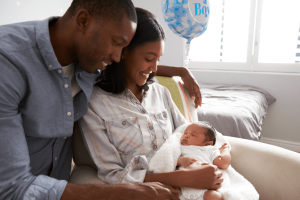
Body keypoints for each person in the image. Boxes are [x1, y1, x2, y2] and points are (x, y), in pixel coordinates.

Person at [0, 0, 203, 200]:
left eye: (123, 47)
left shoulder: (89, 58)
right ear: (83, 21)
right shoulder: (8, 64)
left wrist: (181, 71)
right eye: (116, 43)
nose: (117, 56)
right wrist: (125, 192)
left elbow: (131, 64)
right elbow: (13, 187)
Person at [79, 7, 223, 198]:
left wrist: (218, 152)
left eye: (158, 59)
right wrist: (184, 179)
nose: (154, 68)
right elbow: (113, 175)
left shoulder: (160, 92)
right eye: (149, 58)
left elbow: (187, 133)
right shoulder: (95, 104)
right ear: (123, 52)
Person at [178, 122, 231, 200]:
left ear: (207, 144)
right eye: (185, 133)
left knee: (215, 196)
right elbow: (170, 159)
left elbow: (224, 163)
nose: (187, 135)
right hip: (183, 186)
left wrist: (225, 150)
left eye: (193, 135)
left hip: (205, 187)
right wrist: (180, 160)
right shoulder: (178, 147)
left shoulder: (209, 149)